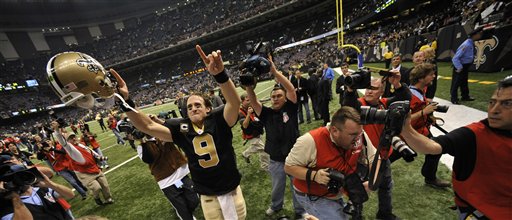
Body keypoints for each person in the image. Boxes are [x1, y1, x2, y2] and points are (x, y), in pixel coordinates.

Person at [111, 45, 246, 219]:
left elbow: (234, 102)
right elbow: (147, 127)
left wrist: (220, 74)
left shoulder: (219, 119)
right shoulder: (182, 128)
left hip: (230, 189)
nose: (193, 108)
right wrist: (125, 100)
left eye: (198, 105)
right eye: (189, 106)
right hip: (206, 194)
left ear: (208, 109)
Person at [400, 75, 512, 219]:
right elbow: (432, 147)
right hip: (481, 210)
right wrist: (405, 128)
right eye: (492, 102)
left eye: (507, 104)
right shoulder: (475, 133)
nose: (494, 110)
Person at [284, 107, 376, 219]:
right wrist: (315, 176)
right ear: (334, 131)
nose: (358, 138)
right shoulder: (309, 141)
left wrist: (372, 182)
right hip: (313, 195)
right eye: (352, 135)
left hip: (336, 193)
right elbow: (288, 167)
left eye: (359, 133)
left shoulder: (358, 134)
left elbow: (375, 158)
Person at [245, 56, 306, 219]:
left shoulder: (291, 108)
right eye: (273, 97)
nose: (275, 98)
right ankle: (276, 206)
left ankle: (300, 211)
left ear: (285, 98)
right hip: (276, 159)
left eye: (279, 96)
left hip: (294, 157)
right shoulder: (266, 114)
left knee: (298, 186)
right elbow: (253, 101)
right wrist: (249, 85)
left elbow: (291, 89)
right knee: (277, 187)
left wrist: (274, 72)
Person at [343, 71, 410, 220]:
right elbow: (349, 106)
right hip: (362, 159)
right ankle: (356, 216)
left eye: (373, 88)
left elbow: (405, 100)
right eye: (367, 87)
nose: (368, 91)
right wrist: (350, 88)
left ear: (382, 91)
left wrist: (397, 84)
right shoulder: (359, 103)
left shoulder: (384, 103)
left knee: (386, 187)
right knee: (358, 192)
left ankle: (384, 213)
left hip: (383, 156)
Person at [135, 129, 199, 220]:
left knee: (194, 199)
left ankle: (186, 212)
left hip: (180, 175)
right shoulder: (142, 147)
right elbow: (148, 159)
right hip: (166, 181)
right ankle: (186, 215)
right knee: (181, 207)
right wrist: (143, 142)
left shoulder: (163, 133)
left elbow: (177, 133)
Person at [408, 63, 450, 188]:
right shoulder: (409, 95)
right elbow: (404, 120)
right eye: (430, 75)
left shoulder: (420, 91)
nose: (434, 76)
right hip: (407, 133)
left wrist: (429, 117)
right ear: (421, 78)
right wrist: (423, 112)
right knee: (388, 156)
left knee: (436, 149)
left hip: (420, 130)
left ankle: (430, 177)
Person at [52, 122, 114, 206]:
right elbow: (62, 142)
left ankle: (108, 198)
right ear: (68, 141)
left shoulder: (82, 145)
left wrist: (100, 157)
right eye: (71, 138)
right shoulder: (70, 149)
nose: (74, 139)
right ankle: (96, 197)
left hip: (94, 168)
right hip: (84, 172)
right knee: (96, 188)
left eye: (74, 136)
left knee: (105, 185)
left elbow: (91, 152)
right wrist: (56, 130)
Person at [0, 163, 75, 220]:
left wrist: (51, 184)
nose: (23, 179)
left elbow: (70, 195)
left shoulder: (40, 189)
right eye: (14, 178)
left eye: (23, 175)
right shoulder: (6, 205)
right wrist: (15, 198)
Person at [450, 28, 483, 104]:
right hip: (461, 66)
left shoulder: (470, 43)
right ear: (475, 35)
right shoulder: (466, 44)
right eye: (479, 34)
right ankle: (454, 98)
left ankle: (465, 96)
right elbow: (455, 58)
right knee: (456, 83)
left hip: (465, 66)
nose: (480, 35)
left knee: (464, 82)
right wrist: (459, 67)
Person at [239, 94, 269, 171]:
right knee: (264, 149)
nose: (249, 102)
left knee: (260, 149)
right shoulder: (240, 112)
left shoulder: (250, 106)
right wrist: (249, 114)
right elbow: (244, 125)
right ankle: (264, 166)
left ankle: (246, 154)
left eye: (250, 100)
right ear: (242, 101)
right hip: (250, 133)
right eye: (247, 100)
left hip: (256, 131)